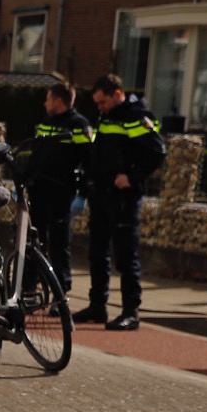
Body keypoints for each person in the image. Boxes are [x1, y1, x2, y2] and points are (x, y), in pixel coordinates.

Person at [80, 73, 163, 329]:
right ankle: (97, 306)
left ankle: (130, 312)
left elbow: (157, 152)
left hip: (123, 198)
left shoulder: (136, 117)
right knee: (97, 253)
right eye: (97, 103)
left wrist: (133, 177)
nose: (99, 107)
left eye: (102, 101)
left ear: (117, 94)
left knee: (125, 255)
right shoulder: (105, 117)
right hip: (101, 194)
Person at [25, 81, 94, 291]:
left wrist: (82, 194)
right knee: (33, 240)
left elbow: (89, 161)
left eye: (48, 99)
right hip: (39, 191)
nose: (44, 103)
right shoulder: (46, 122)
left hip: (61, 192)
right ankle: (29, 285)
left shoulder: (79, 125)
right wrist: (25, 181)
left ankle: (61, 290)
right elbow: (36, 155)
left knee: (59, 244)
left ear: (58, 100)